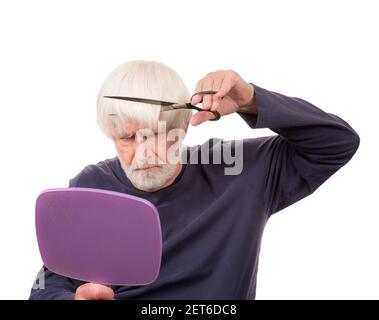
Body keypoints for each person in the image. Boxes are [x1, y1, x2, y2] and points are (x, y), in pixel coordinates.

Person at [29, 60, 360, 300]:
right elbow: (46, 285)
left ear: (183, 127)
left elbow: (337, 143)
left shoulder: (240, 170)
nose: (144, 154)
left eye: (157, 134)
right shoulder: (90, 186)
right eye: (128, 139)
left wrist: (250, 100)